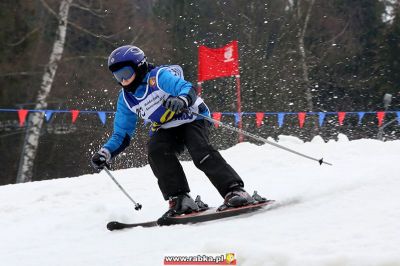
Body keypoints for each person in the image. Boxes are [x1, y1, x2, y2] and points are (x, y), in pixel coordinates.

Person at [91, 45, 257, 217]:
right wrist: (105, 153)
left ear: (139, 66)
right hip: (166, 127)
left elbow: (186, 87)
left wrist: (182, 100)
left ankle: (235, 191)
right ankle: (180, 198)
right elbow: (122, 134)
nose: (123, 80)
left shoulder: (158, 77)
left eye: (125, 73)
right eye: (117, 76)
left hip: (192, 118)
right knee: (156, 151)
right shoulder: (126, 99)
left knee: (199, 150)